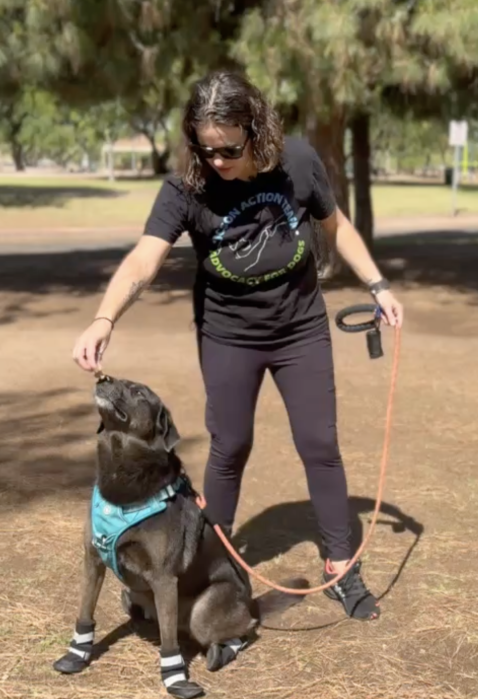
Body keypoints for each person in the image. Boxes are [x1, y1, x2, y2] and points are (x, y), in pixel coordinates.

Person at [71, 70, 403, 621]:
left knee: (319, 443)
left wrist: (378, 285)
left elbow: (335, 224)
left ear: (258, 130)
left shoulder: (297, 161)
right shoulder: (187, 186)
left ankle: (342, 567)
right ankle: (203, 567)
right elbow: (145, 257)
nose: (217, 161)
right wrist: (105, 317)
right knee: (231, 445)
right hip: (228, 333)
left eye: (228, 149)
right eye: (206, 150)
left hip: (300, 328)